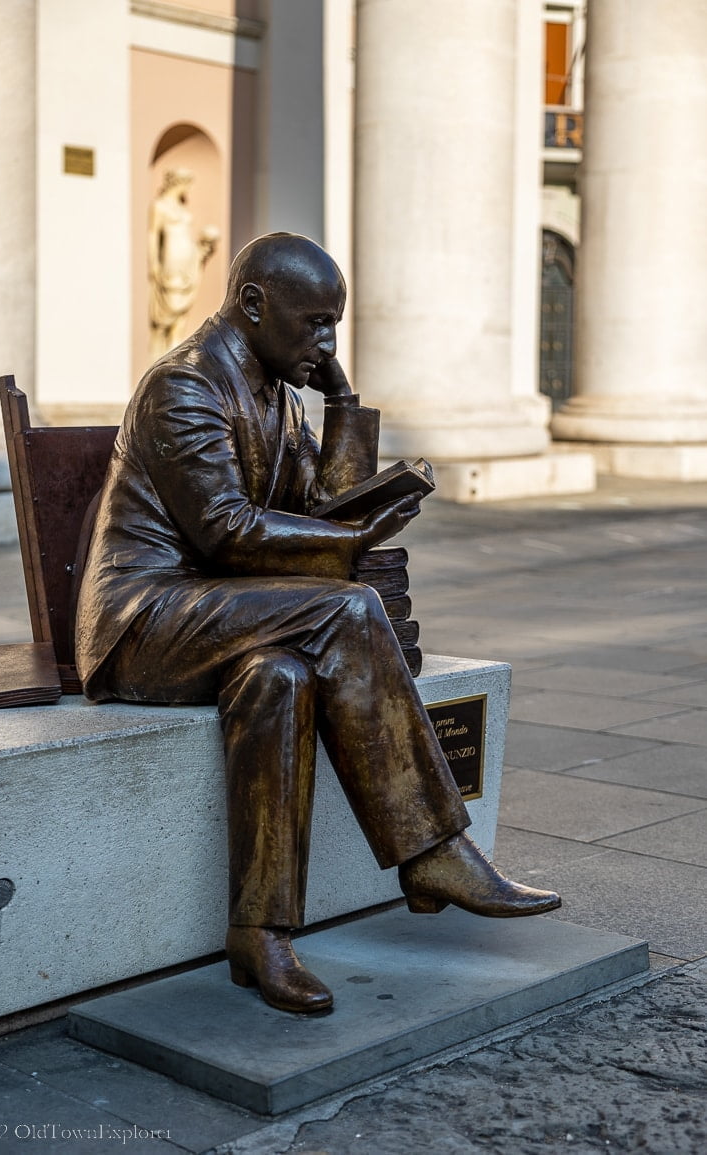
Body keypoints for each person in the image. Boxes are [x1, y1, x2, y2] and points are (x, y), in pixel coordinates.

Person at [76, 233, 560, 1015]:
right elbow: (228, 531)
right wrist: (353, 545)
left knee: (281, 675)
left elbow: (318, 508)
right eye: (316, 325)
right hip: (149, 620)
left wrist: (339, 401)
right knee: (349, 605)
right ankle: (433, 850)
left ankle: (259, 933)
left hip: (230, 617)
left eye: (336, 326)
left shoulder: (277, 394)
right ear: (255, 305)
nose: (327, 342)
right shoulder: (186, 386)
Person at [147, 168, 219, 361]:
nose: (187, 189)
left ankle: (175, 348)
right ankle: (160, 353)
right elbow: (153, 234)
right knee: (169, 306)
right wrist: (154, 263)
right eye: (186, 184)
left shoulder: (182, 209)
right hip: (171, 261)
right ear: (178, 183)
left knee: (182, 313)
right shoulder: (160, 206)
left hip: (189, 260)